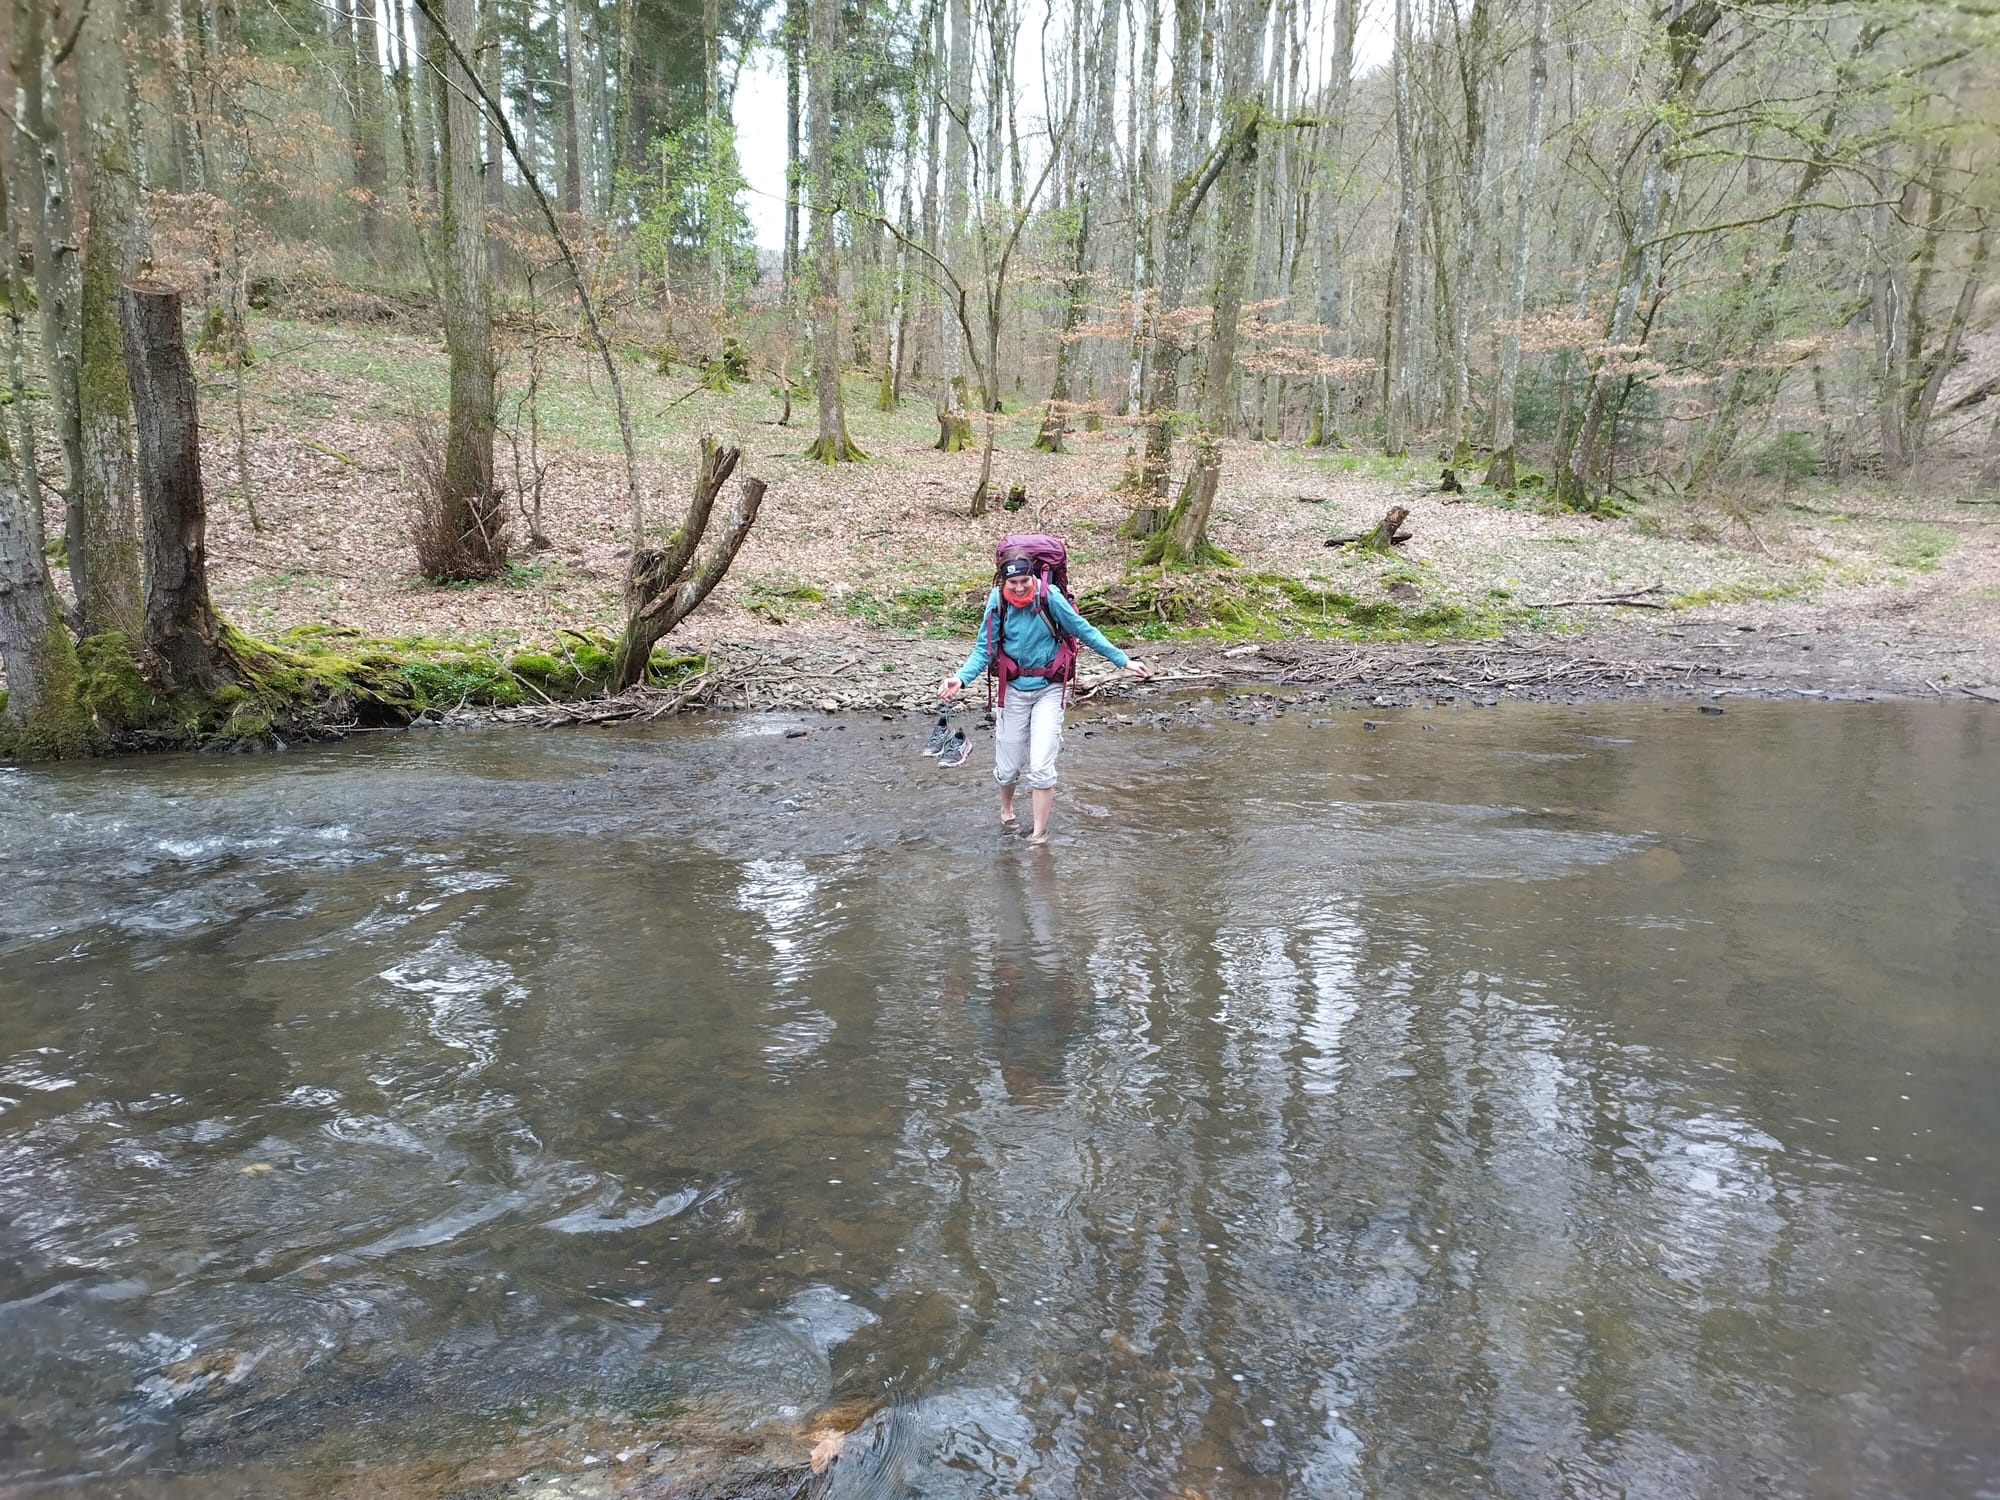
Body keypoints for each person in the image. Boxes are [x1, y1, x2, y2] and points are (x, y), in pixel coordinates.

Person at [937, 550, 1150, 844]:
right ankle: (1006, 810)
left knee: (1041, 766)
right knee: (1008, 766)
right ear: (1002, 581)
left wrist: (1122, 660)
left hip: (1049, 689)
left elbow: (1083, 631)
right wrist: (960, 678)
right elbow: (984, 649)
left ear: (1033, 576)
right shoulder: (997, 601)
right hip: (1012, 689)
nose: (1020, 588)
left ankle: (1039, 835)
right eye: (1013, 583)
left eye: (1025, 580)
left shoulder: (1050, 597)